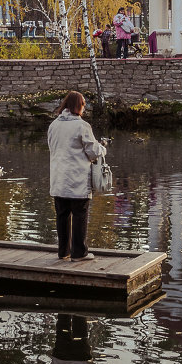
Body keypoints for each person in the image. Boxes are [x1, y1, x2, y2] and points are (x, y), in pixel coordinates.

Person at [47, 91, 105, 262]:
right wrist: (103, 148)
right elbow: (92, 152)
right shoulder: (82, 126)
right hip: (77, 179)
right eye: (83, 104)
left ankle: (63, 251)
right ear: (78, 106)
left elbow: (53, 148)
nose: (84, 108)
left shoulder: (53, 125)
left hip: (58, 178)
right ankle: (79, 253)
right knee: (80, 214)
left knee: (62, 215)